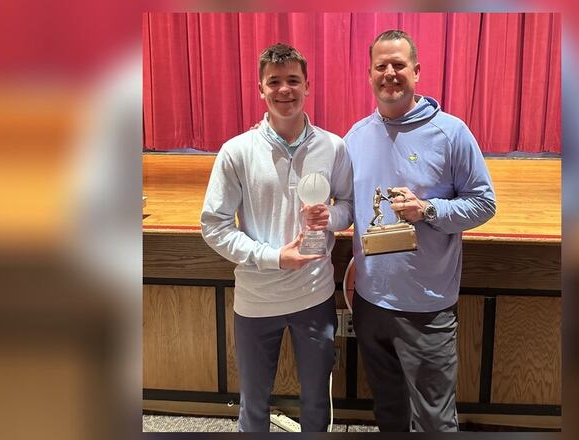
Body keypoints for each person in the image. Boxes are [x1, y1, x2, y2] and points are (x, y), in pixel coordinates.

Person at [344, 30, 497, 432]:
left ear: (417, 71)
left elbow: (484, 203)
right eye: (381, 66)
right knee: (390, 414)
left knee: (434, 421)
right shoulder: (356, 137)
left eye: (398, 65)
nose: (390, 73)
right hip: (371, 304)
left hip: (426, 308)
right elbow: (343, 206)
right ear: (369, 74)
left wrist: (428, 209)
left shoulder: (451, 132)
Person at [200, 43, 353, 432]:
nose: (285, 90)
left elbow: (349, 206)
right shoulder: (236, 151)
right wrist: (273, 257)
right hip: (256, 299)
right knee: (254, 402)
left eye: (293, 80)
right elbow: (214, 225)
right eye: (275, 82)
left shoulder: (333, 147)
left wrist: (329, 217)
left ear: (308, 85)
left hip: (315, 296)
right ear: (260, 89)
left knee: (317, 400)